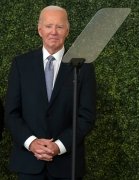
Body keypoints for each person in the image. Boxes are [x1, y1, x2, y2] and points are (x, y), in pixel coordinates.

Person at [5, 5, 96, 179]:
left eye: (59, 26)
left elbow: (86, 116)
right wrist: (31, 143)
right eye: (48, 26)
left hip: (67, 165)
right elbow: (11, 113)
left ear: (67, 31)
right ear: (40, 30)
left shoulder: (83, 67)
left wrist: (59, 146)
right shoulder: (20, 64)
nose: (53, 31)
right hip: (28, 163)